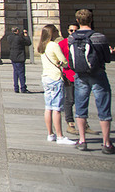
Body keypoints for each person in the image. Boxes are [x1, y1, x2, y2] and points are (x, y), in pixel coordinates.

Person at [69, 9, 113, 153]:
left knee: (81, 108)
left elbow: (71, 60)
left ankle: (82, 140)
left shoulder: (72, 38)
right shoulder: (99, 37)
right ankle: (106, 143)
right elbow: (107, 58)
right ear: (91, 19)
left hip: (80, 75)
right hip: (98, 74)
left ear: (77, 21)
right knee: (103, 108)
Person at [37, 24, 76, 145]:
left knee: (48, 107)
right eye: (56, 31)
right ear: (52, 33)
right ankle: (60, 136)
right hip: (55, 77)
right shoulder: (53, 45)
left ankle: (50, 134)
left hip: (46, 77)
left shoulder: (42, 46)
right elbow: (64, 61)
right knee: (57, 109)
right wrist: (62, 64)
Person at [58, 23, 81, 134]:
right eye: (71, 31)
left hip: (81, 75)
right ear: (68, 31)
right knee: (70, 99)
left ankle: (84, 124)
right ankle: (70, 123)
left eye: (76, 30)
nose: (73, 33)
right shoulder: (63, 43)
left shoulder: (82, 42)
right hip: (68, 76)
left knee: (81, 100)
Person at [6, 26, 31, 93]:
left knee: (15, 72)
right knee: (21, 73)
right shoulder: (19, 38)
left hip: (13, 57)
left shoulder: (9, 37)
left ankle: (16, 88)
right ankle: (23, 88)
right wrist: (26, 35)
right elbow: (28, 43)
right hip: (20, 57)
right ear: (17, 31)